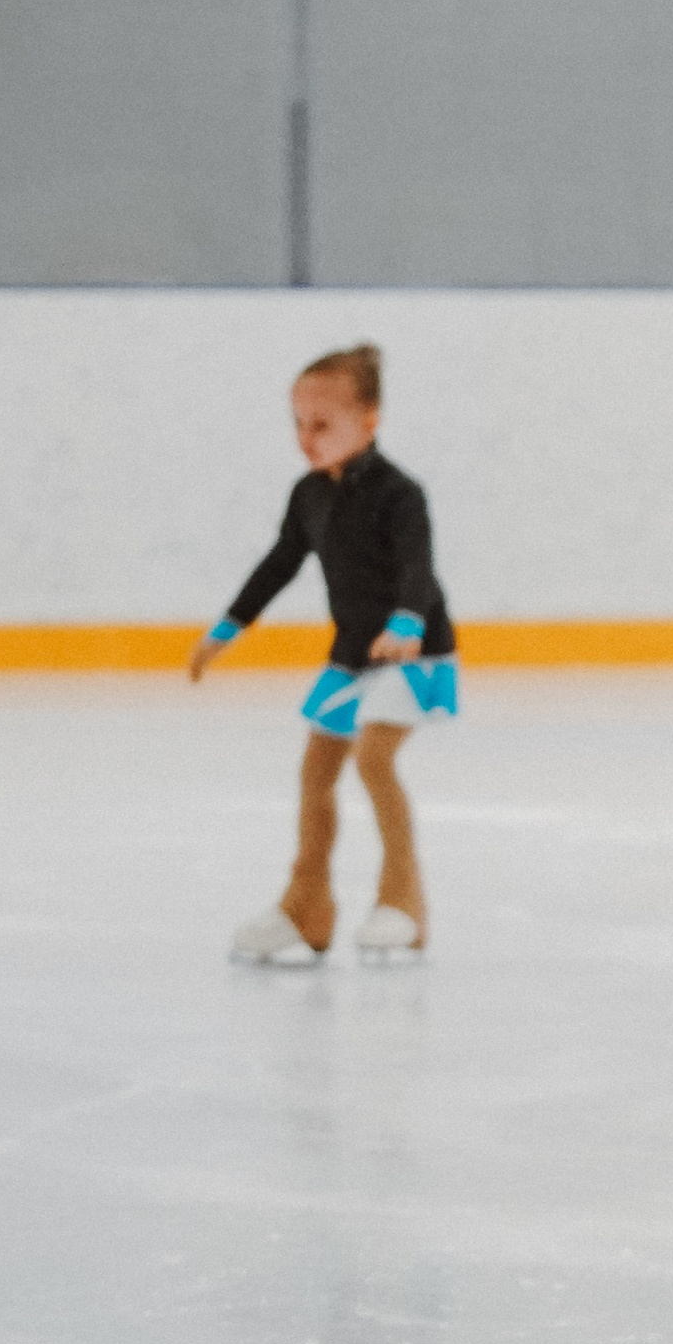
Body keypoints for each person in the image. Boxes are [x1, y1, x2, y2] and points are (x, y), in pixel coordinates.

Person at [189, 343, 457, 966]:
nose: (305, 439)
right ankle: (306, 905)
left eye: (321, 425)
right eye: (298, 424)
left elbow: (420, 566)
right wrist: (228, 629)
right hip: (351, 657)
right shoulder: (309, 494)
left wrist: (407, 620)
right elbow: (280, 563)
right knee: (315, 774)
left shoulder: (401, 495)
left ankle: (403, 902)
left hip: (413, 654)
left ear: (370, 418)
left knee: (374, 759)